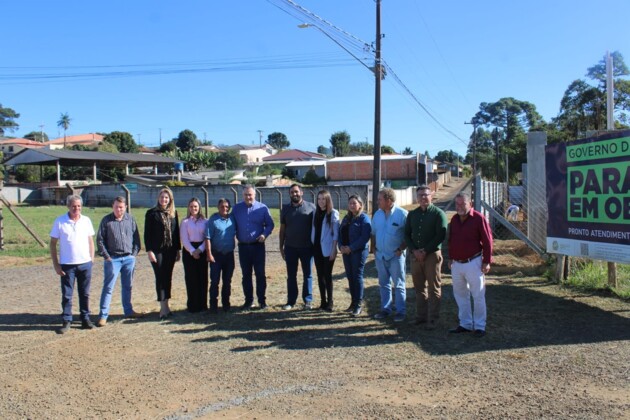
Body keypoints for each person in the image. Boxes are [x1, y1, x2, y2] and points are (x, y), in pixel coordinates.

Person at [448, 192, 493, 338]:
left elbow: (487, 241)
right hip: (457, 264)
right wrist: (451, 258)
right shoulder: (454, 219)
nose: (459, 207)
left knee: (478, 295)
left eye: (462, 204)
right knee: (460, 295)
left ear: (470, 204)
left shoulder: (479, 218)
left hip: (473, 262)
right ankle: (465, 324)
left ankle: (480, 326)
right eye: (457, 204)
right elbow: (451, 240)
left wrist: (487, 261)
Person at [49, 195, 95, 334]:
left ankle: (85, 318)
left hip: (85, 263)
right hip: (67, 265)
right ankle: (67, 320)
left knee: (85, 293)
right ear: (68, 206)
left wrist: (91, 258)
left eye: (79, 206)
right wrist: (56, 265)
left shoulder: (86, 221)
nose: (77, 209)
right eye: (74, 206)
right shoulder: (60, 221)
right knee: (67, 295)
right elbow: (52, 244)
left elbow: (90, 241)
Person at [404, 185, 447, 330]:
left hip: (432, 255)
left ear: (431, 196)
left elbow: (440, 235)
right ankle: (421, 316)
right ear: (417, 198)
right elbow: (407, 234)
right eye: (420, 195)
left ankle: (433, 318)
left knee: (433, 287)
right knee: (419, 287)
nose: (423, 197)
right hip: (415, 256)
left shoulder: (438, 213)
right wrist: (414, 250)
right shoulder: (413, 214)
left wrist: (425, 251)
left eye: (426, 195)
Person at [95, 196, 143, 327]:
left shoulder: (130, 219)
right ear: (112, 206)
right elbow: (100, 240)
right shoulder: (106, 220)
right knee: (108, 288)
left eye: (121, 207)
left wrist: (133, 254)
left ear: (125, 207)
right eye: (116, 207)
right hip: (113, 259)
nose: (119, 209)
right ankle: (103, 315)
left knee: (127, 286)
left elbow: (136, 238)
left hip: (128, 258)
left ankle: (128, 311)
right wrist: (107, 257)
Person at [232, 185, 274, 310]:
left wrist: (264, 234)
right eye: (245, 195)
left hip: (258, 246)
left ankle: (262, 301)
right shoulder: (236, 209)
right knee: (246, 275)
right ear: (242, 195)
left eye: (250, 195)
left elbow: (270, 224)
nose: (248, 197)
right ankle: (248, 301)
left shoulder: (262, 208)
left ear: (254, 195)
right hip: (243, 247)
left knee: (260, 274)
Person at [371, 188, 408, 323]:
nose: (377, 202)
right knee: (383, 283)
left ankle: (400, 311)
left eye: (380, 199)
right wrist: (373, 248)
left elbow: (408, 235)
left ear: (389, 200)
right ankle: (385, 309)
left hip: (396, 256)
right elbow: (373, 232)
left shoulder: (402, 214)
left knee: (398, 284)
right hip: (380, 256)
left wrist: (401, 248)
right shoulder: (377, 215)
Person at [144, 188, 181, 320]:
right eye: (162, 197)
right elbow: (147, 234)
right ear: (158, 198)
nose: (164, 200)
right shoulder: (151, 213)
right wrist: (149, 251)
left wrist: (178, 250)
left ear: (170, 199)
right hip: (157, 251)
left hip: (170, 251)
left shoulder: (173, 213)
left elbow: (176, 233)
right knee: (160, 277)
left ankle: (167, 305)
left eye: (166, 198)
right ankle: (162, 308)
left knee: (168, 277)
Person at [279, 184, 316, 310]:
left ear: (301, 192)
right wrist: (281, 247)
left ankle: (307, 300)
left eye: (296, 192)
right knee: (291, 275)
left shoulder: (311, 207)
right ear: (289, 194)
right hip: (290, 248)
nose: (294, 194)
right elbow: (282, 229)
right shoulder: (285, 209)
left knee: (308, 275)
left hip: (307, 248)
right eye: (292, 192)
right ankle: (291, 301)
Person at [338, 194, 371, 317]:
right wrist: (341, 246)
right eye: (350, 203)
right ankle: (353, 303)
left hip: (358, 252)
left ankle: (358, 305)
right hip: (346, 252)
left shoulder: (364, 218)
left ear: (360, 205)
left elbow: (364, 237)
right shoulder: (346, 218)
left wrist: (351, 248)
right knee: (350, 277)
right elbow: (340, 233)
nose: (352, 205)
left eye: (354, 203)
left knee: (357, 277)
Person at [205, 198, 236, 313]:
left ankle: (226, 304)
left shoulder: (232, 219)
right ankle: (213, 305)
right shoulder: (213, 220)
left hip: (229, 255)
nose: (225, 208)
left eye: (227, 206)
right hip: (216, 255)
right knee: (215, 281)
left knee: (227, 281)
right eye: (222, 206)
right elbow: (207, 238)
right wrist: (209, 254)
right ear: (218, 207)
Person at [311, 190, 339, 311]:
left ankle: (330, 302)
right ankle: (323, 302)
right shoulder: (315, 213)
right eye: (319, 199)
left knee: (327, 275)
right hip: (317, 249)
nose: (321, 201)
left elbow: (335, 234)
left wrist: (334, 250)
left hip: (328, 250)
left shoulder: (333, 213)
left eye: (323, 199)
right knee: (319, 275)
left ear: (328, 200)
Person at [180, 197, 208, 313]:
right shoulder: (185, 222)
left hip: (202, 250)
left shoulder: (206, 221)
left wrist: (200, 250)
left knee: (202, 278)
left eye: (195, 206)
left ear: (199, 207)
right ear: (188, 208)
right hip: (189, 252)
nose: (193, 208)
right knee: (191, 279)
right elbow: (184, 239)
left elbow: (207, 238)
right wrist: (192, 251)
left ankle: (202, 305)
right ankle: (192, 305)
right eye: (191, 206)